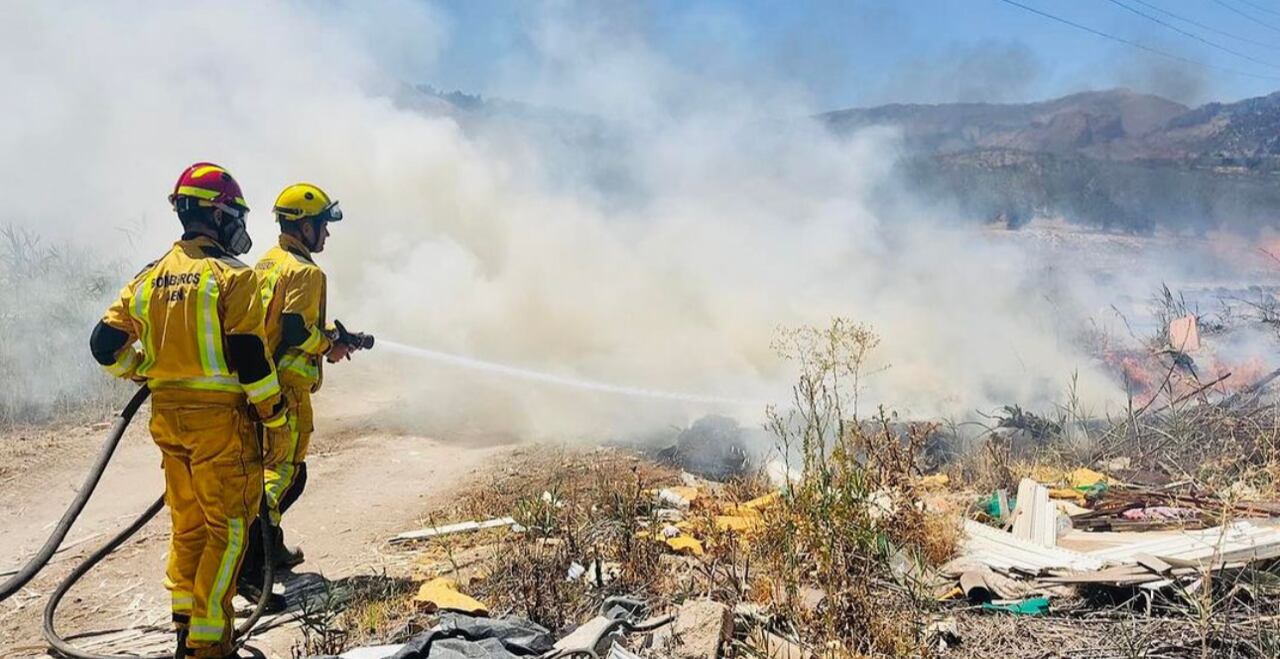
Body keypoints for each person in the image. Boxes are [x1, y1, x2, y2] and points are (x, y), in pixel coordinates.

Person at [89, 162, 288, 659]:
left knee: (189, 526)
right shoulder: (231, 277)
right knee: (229, 531)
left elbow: (103, 344)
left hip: (168, 418)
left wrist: (140, 368)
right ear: (218, 216)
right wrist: (276, 416)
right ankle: (208, 645)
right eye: (236, 216)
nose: (241, 228)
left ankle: (185, 627)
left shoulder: (149, 277)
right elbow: (249, 358)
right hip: (220, 423)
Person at [238, 182, 362, 590]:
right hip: (286, 390)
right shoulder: (307, 272)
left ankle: (271, 548)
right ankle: (254, 567)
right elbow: (294, 330)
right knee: (285, 475)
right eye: (322, 225)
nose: (326, 233)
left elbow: (279, 323)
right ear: (305, 226)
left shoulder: (268, 262)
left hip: (259, 384)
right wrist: (329, 344)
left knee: (268, 470)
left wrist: (327, 337)